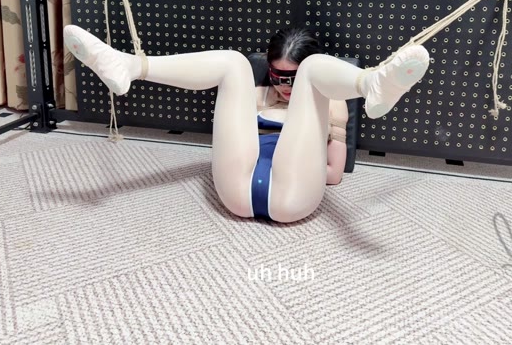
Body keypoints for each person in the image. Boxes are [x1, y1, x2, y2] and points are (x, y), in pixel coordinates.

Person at [63, 24, 430, 223]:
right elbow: (230, 140)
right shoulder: (256, 95)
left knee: (315, 68)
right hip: (237, 190)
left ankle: (370, 84)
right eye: (278, 76)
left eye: (292, 78)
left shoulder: (328, 101)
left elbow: (333, 175)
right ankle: (131, 66)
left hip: (293, 194)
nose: (284, 86)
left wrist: (301, 142)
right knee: (233, 62)